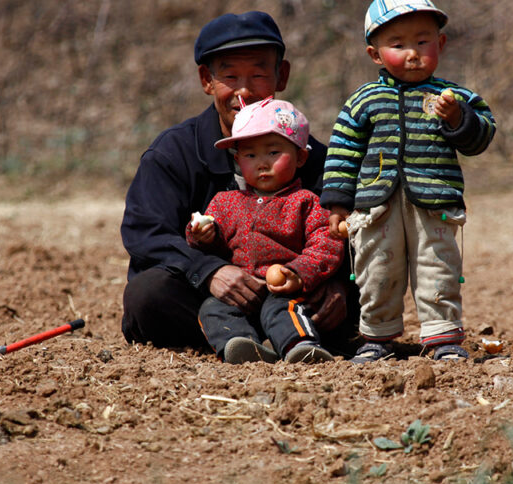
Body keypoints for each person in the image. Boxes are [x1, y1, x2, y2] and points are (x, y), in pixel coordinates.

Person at [120, 11, 355, 353]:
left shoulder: (317, 158)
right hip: (207, 299)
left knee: (354, 294)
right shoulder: (173, 154)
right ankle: (243, 341)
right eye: (229, 75)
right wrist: (210, 271)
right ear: (207, 80)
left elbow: (349, 231)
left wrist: (337, 284)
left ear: (282, 75)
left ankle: (289, 337)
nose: (244, 90)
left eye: (259, 74)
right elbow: (146, 233)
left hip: (295, 295)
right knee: (148, 294)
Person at [322, 0, 495, 363]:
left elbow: (480, 138)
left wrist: (458, 119)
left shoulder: (456, 98)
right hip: (376, 208)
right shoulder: (363, 101)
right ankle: (377, 337)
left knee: (438, 267)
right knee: (376, 270)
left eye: (422, 42)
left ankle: (443, 338)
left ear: (441, 44)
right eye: (398, 45)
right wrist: (338, 204)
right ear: (375, 54)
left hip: (434, 206)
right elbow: (342, 153)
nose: (413, 53)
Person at [187, 98, 342, 364]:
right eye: (250, 155)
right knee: (212, 309)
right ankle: (242, 346)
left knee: (282, 308)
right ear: (237, 160)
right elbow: (213, 248)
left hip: (284, 289)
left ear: (300, 156)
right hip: (241, 290)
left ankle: (301, 347)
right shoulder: (224, 203)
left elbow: (325, 245)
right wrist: (201, 236)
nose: (262, 163)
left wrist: (297, 273)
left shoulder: (305, 202)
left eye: (273, 153)